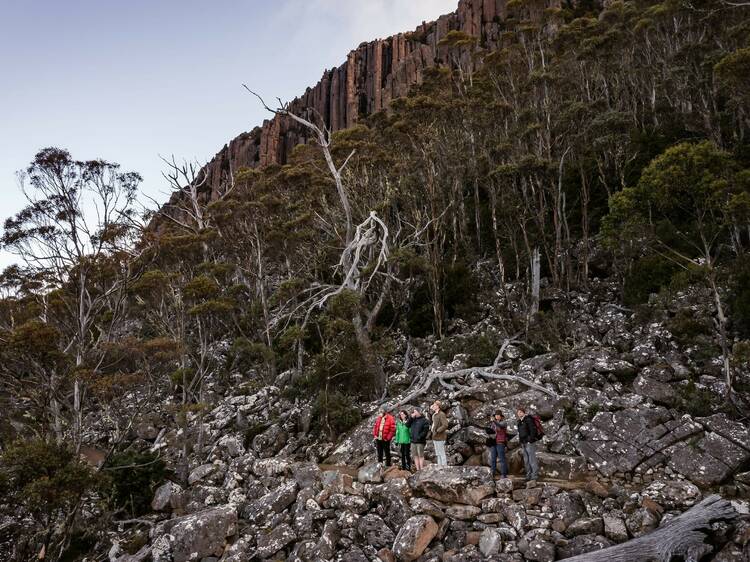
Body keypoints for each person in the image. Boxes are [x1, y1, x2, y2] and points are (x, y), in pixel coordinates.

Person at [516, 407, 539, 482]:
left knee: (532, 459)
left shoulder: (528, 420)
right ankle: (528, 475)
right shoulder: (519, 421)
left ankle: (534, 476)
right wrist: (521, 441)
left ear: (524, 413)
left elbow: (533, 431)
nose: (519, 413)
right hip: (523, 443)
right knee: (526, 460)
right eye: (518, 412)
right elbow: (520, 433)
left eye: (520, 412)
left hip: (529, 443)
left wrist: (530, 440)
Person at [486, 410, 508, 479]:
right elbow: (491, 431)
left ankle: (503, 474)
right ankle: (492, 473)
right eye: (496, 415)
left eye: (498, 415)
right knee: (493, 459)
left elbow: (500, 426)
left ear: (501, 416)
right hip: (493, 442)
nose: (497, 416)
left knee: (502, 459)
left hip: (500, 442)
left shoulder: (503, 422)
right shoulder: (492, 423)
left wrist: (494, 421)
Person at [430, 401, 449, 466]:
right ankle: (439, 467)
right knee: (438, 454)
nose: (433, 406)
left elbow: (445, 425)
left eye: (434, 405)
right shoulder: (434, 415)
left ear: (438, 406)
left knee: (442, 453)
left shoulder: (441, 414)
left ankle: (444, 468)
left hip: (440, 437)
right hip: (435, 437)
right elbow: (434, 424)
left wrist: (438, 430)